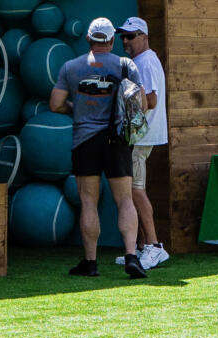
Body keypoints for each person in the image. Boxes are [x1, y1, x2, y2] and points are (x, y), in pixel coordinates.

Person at [49, 16, 146, 278]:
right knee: (125, 200)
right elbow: (142, 105)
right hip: (118, 140)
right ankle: (131, 257)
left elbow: (55, 103)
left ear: (88, 39)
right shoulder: (125, 64)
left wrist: (77, 109)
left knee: (88, 202)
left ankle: (90, 263)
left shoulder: (71, 67)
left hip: (85, 141)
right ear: (112, 40)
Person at [118, 16, 170, 269]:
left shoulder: (145, 62)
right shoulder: (141, 61)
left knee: (136, 190)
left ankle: (154, 246)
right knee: (132, 190)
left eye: (131, 36)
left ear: (144, 36)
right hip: (140, 136)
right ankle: (141, 247)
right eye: (123, 36)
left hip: (141, 136)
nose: (125, 41)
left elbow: (150, 101)